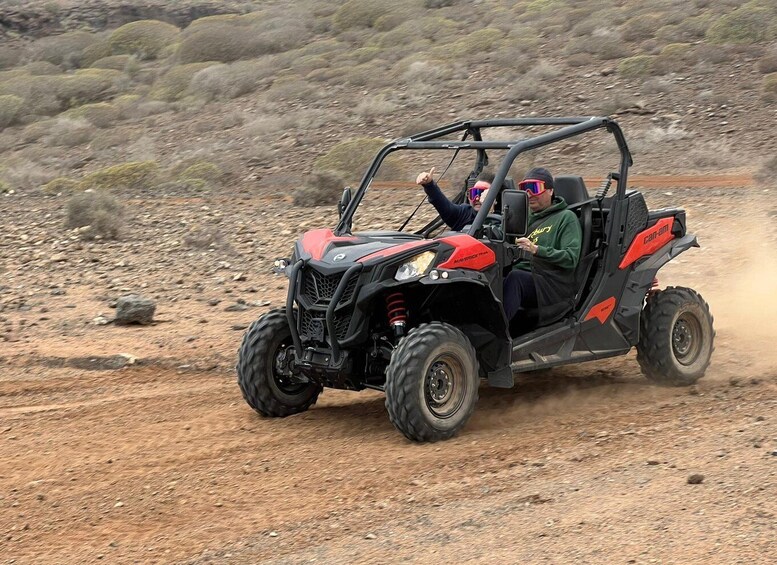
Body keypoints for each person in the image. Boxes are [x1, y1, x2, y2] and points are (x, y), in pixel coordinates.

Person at [503, 167, 582, 329]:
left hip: (550, 283)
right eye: (525, 189)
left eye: (535, 188)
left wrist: (536, 250)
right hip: (526, 276)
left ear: (550, 191)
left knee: (515, 279)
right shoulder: (524, 217)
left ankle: (496, 333)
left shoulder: (566, 218)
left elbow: (571, 258)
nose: (530, 194)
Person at [416, 167, 494, 231]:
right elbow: (442, 204)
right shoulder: (463, 214)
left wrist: (488, 208)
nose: (477, 198)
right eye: (474, 193)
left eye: (482, 193)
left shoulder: (503, 220)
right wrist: (429, 185)